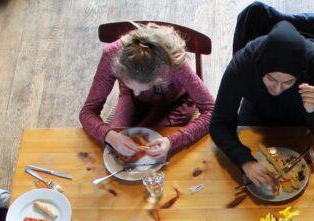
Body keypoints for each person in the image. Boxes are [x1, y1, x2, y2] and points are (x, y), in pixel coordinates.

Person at [210, 21, 314, 189]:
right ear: (260, 68)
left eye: (288, 82)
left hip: (300, 122)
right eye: (271, 79)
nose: (277, 89)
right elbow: (219, 124)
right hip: (256, 113)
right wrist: (245, 161)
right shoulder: (244, 63)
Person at [79, 23, 215, 160]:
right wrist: (109, 135)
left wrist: (172, 141)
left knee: (150, 152)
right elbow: (88, 111)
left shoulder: (173, 62)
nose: (137, 92)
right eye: (132, 85)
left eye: (141, 88)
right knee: (118, 151)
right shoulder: (112, 54)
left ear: (159, 77)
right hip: (129, 97)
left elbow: (212, 111)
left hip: (173, 102)